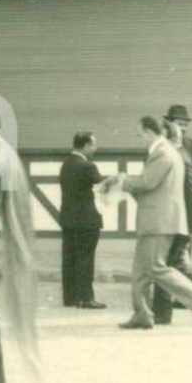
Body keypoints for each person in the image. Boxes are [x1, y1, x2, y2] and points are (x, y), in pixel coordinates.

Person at [118, 116, 192, 329]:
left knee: (156, 267)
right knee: (140, 271)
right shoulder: (168, 152)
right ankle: (142, 315)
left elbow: (148, 182)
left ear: (150, 132)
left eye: (140, 135)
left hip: (159, 221)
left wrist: (123, 180)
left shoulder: (162, 153)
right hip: (157, 220)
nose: (139, 139)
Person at [152, 119, 192, 324]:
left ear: (168, 137)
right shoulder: (176, 155)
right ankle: (162, 313)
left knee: (164, 265)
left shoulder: (180, 157)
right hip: (176, 220)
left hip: (179, 221)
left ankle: (162, 314)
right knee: (175, 265)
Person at [58, 131, 108, 309]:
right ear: (86, 145)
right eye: (94, 145)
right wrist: (118, 180)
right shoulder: (88, 167)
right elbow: (102, 186)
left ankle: (70, 297)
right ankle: (86, 298)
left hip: (68, 219)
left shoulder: (66, 164)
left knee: (69, 258)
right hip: (86, 220)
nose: (95, 148)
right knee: (86, 259)